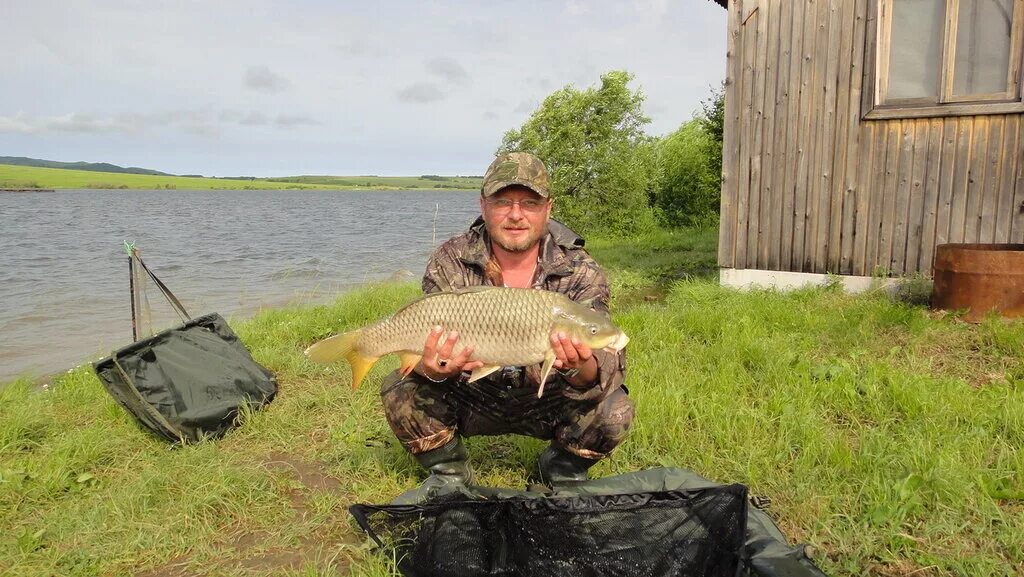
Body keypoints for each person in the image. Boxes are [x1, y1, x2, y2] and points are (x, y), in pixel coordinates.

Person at [379, 151, 633, 487]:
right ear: (483, 206)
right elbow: (428, 353)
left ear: (548, 208)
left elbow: (606, 368)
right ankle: (450, 471)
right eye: (503, 202)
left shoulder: (580, 269)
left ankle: (560, 468)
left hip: (547, 398)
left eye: (529, 203)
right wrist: (434, 368)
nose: (516, 215)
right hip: (473, 392)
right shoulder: (450, 259)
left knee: (615, 408)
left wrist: (576, 366)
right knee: (401, 389)